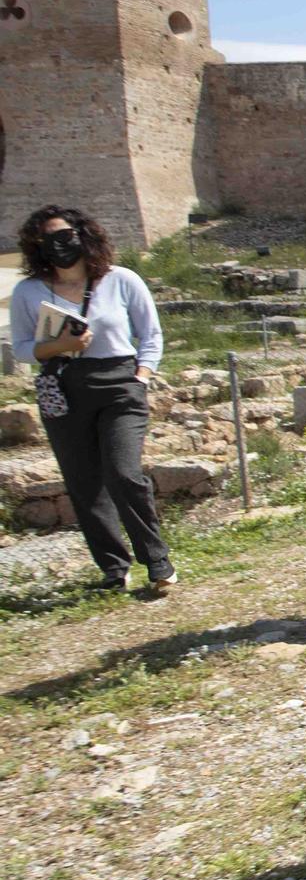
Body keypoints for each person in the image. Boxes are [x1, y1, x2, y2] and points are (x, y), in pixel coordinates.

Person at [10, 205, 174, 595]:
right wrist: (59, 346)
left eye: (64, 236)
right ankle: (114, 570)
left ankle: (157, 560)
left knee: (123, 474)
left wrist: (142, 376)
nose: (58, 246)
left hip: (120, 383)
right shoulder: (28, 291)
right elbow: (19, 349)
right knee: (84, 483)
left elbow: (150, 334)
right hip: (61, 387)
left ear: (84, 235)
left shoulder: (121, 280)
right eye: (48, 240)